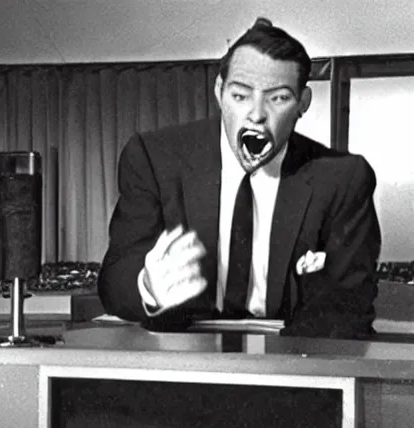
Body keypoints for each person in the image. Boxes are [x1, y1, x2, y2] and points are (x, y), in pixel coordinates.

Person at [97, 17, 381, 338]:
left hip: (291, 360)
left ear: (303, 103)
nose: (256, 114)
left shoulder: (343, 178)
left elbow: (347, 304)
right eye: (241, 95)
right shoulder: (153, 157)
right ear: (219, 92)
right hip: (182, 358)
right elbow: (116, 277)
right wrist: (147, 287)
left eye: (278, 98)